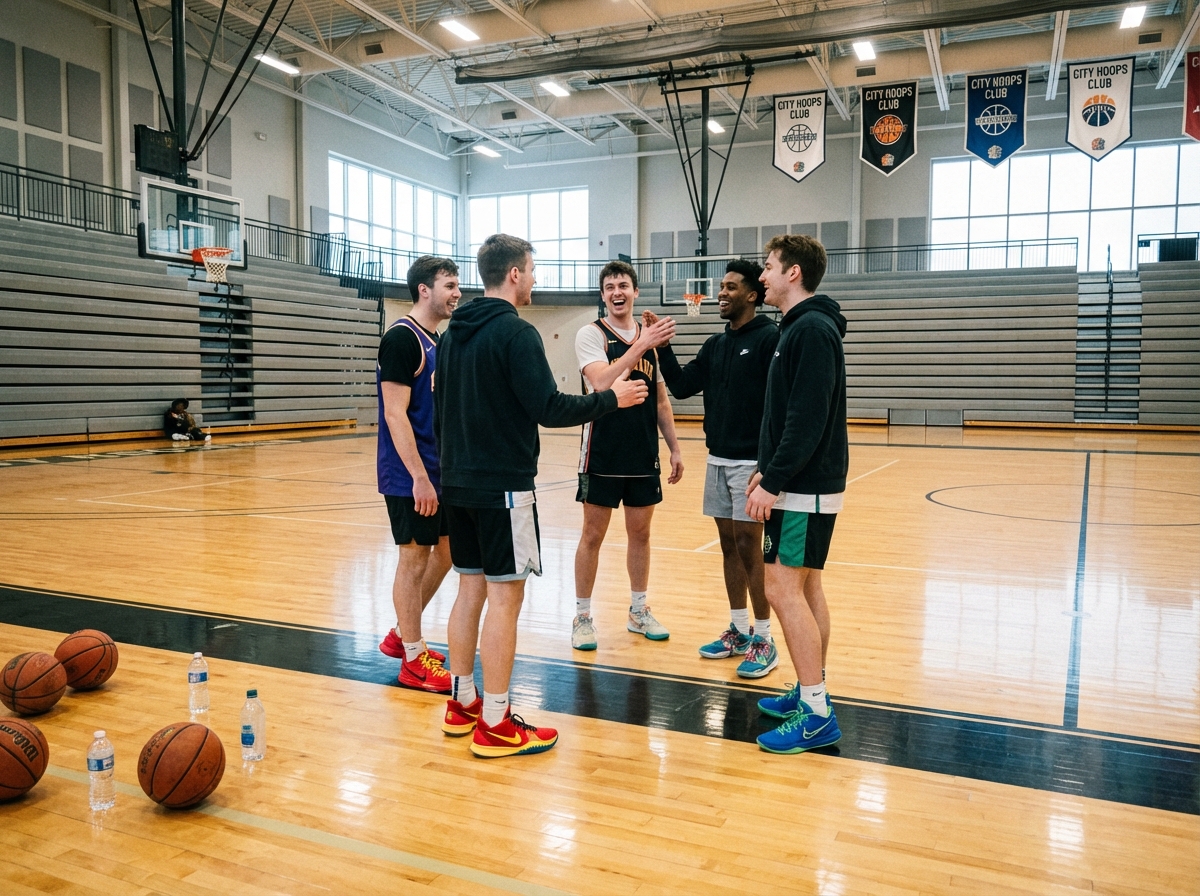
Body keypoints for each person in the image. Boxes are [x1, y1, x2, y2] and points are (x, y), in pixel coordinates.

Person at [435, 234, 648, 758]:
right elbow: (549, 407)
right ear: (513, 274)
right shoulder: (515, 333)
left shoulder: (452, 334)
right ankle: (497, 723)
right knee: (505, 598)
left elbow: (439, 412)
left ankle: (462, 703)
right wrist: (609, 400)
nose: (535, 279)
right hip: (503, 487)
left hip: (457, 482)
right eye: (532, 270)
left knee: (469, 590)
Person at [647, 259, 780, 678]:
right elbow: (683, 386)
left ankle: (763, 637)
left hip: (752, 462)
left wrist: (769, 464)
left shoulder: (769, 339)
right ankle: (738, 629)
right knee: (728, 545)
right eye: (720, 287)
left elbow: (779, 406)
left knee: (748, 545)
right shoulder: (716, 344)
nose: (721, 293)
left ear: (753, 295)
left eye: (730, 287)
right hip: (718, 458)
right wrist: (662, 349)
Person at [744, 234, 848, 754]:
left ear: (793, 274)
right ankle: (813, 689)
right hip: (799, 483)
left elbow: (807, 419)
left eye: (768, 267)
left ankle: (815, 710)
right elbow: (789, 416)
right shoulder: (801, 327)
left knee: (781, 590)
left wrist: (776, 480)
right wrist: (766, 471)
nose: (761, 276)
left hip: (802, 489)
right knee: (805, 589)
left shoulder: (810, 330)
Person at [570, 260, 682, 652]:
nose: (617, 292)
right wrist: (642, 344)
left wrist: (675, 447)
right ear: (603, 296)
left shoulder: (646, 339)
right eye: (610, 287)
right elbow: (601, 381)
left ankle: (638, 610)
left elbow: (662, 399)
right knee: (592, 536)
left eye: (623, 285)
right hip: (601, 452)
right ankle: (582, 616)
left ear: (635, 292)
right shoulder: (592, 333)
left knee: (641, 534)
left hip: (641, 453)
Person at [375, 256, 461, 693]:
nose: (457, 292)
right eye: (449, 284)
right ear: (424, 290)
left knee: (444, 551)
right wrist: (419, 478)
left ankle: (401, 634)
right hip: (409, 474)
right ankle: (412, 658)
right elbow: (395, 414)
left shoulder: (437, 339)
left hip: (437, 469)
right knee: (413, 558)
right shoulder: (401, 339)